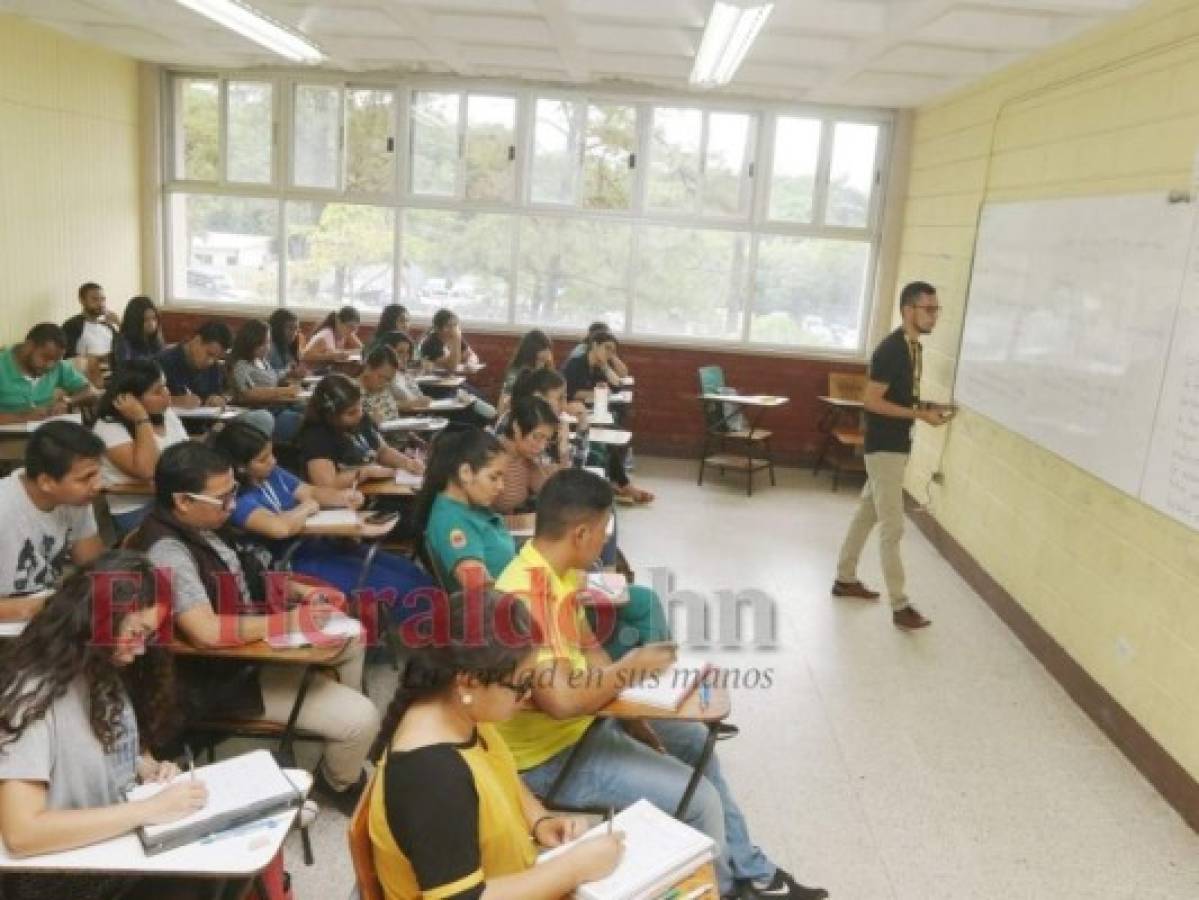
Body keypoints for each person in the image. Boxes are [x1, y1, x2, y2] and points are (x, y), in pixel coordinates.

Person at [497, 470, 826, 900]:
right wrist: (631, 669)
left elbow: (591, 648)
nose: (605, 540)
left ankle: (746, 868)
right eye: (603, 530)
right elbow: (560, 701)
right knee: (702, 801)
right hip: (549, 758)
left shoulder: (557, 572)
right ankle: (726, 890)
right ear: (581, 533)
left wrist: (631, 716)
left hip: (586, 723)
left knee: (693, 740)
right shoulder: (527, 595)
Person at [129, 442, 380, 812]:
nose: (233, 504)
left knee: (353, 634)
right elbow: (207, 632)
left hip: (247, 652)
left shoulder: (204, 523)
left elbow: (246, 574)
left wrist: (297, 591)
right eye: (223, 497)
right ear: (183, 500)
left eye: (234, 491)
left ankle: (338, 729)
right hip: (219, 676)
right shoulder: (168, 550)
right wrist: (288, 622)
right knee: (361, 719)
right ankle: (337, 781)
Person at [368, 587, 624, 900]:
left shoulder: (458, 712)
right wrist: (574, 867)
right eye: (522, 684)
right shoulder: (430, 776)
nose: (528, 695)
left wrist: (539, 820)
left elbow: (500, 775)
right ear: (469, 681)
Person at [0, 551, 216, 900]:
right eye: (136, 632)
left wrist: (145, 767)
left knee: (215, 864)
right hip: (65, 876)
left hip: (115, 848)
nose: (142, 649)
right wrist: (149, 809)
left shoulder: (101, 670)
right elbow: (22, 833)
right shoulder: (32, 695)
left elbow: (103, 752)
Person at [418, 429, 664, 660]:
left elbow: (502, 537)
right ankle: (646, 675)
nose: (501, 486)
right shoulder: (452, 523)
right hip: (528, 610)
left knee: (635, 599)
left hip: (542, 582)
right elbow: (482, 590)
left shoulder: (471, 508)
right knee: (643, 610)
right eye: (494, 477)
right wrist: (555, 594)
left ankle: (643, 669)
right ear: (465, 473)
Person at [211, 421, 433, 626]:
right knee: (404, 589)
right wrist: (306, 507)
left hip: (320, 546)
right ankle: (427, 648)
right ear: (239, 467)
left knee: (410, 572)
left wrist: (343, 497)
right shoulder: (236, 500)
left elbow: (311, 491)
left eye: (271, 454)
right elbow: (279, 528)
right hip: (290, 563)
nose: (273, 461)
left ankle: (428, 638)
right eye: (263, 459)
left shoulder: (273, 475)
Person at [833, 281, 953, 631]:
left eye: (936, 309)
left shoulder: (913, 349)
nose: (934, 316)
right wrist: (920, 416)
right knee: (893, 527)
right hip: (884, 447)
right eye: (928, 309)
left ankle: (844, 578)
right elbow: (871, 401)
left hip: (895, 445)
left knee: (866, 514)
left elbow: (898, 397)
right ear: (908, 311)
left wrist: (926, 407)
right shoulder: (892, 351)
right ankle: (900, 606)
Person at [0, 421, 105, 620]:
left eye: (98, 473)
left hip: (44, 616)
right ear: (46, 482)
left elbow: (94, 566)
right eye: (86, 477)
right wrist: (44, 607)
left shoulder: (76, 501)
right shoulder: (4, 507)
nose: (98, 485)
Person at [92, 359, 189, 535]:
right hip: (136, 510)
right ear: (130, 398)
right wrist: (141, 419)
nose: (166, 394)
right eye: (157, 391)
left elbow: (188, 461)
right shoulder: (108, 426)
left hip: (172, 501)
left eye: (165, 386)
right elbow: (148, 471)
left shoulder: (166, 414)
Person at [296, 374, 424, 490]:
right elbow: (326, 485)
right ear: (331, 415)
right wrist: (365, 473)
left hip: (375, 489)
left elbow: (382, 451)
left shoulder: (361, 419)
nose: (359, 414)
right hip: (346, 502)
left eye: (360, 407)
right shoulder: (316, 436)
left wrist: (407, 463)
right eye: (351, 413)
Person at [0, 323, 98, 424]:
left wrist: (68, 402)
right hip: (6, 437)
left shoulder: (58, 365)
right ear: (28, 346)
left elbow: (91, 391)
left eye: (56, 360)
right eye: (45, 357)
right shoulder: (2, 364)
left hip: (45, 433)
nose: (50, 366)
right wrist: (23, 417)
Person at [227, 319, 303, 443]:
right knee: (301, 420)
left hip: (278, 408)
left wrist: (289, 375)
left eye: (269, 342)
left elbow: (273, 378)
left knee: (309, 411)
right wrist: (283, 391)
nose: (268, 347)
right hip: (262, 414)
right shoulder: (241, 365)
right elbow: (248, 393)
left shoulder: (262, 361)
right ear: (251, 343)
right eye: (264, 343)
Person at [493, 396, 561, 516]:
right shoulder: (491, 456)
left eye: (546, 440)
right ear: (516, 428)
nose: (542, 447)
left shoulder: (526, 458)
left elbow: (553, 494)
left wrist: (563, 449)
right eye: (537, 437)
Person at [155, 320, 232, 408]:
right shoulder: (162, 361)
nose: (211, 361)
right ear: (197, 340)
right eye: (209, 354)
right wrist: (174, 400)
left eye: (217, 358)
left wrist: (217, 399)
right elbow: (143, 399)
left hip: (206, 419)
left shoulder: (214, 367)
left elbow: (219, 394)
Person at [498, 329, 553, 415]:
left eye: (549, 348)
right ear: (531, 350)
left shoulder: (546, 369)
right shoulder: (515, 373)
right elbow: (503, 403)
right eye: (544, 348)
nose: (548, 352)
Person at [62, 281, 119, 360]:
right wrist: (103, 358)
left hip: (114, 371)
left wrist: (118, 323)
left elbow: (124, 351)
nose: (101, 304)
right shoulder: (72, 325)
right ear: (82, 300)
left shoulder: (108, 326)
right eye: (95, 299)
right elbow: (67, 358)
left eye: (103, 299)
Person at [112, 295, 165, 372]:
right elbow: (126, 368)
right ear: (135, 320)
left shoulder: (155, 338)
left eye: (154, 318)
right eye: (146, 320)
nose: (152, 323)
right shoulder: (123, 340)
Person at [417, 309, 479, 373]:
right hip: (434, 379)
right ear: (437, 328)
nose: (454, 329)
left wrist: (471, 362)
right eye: (449, 326)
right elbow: (452, 366)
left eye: (455, 325)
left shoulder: (454, 337)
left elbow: (471, 354)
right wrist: (456, 342)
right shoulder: (430, 343)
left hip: (452, 379)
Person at [266, 308, 307, 378]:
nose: (293, 333)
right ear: (277, 328)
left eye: (296, 329)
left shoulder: (289, 347)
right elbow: (266, 374)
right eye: (290, 328)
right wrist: (288, 373)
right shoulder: (269, 348)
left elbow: (291, 368)